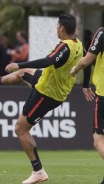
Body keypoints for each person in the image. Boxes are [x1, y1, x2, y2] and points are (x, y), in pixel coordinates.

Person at [0, 13, 89, 184]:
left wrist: (20, 63)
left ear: (62, 28)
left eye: (57, 26)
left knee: (20, 129)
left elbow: (48, 61)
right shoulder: (78, 44)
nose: (56, 28)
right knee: (24, 74)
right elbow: (86, 61)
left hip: (47, 93)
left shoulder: (66, 46)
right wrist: (85, 86)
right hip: (49, 83)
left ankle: (38, 171)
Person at [70, 27, 104, 184]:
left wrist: (75, 69)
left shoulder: (102, 33)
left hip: (103, 95)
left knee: (98, 141)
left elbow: (87, 59)